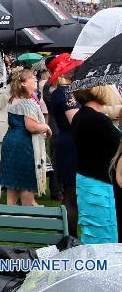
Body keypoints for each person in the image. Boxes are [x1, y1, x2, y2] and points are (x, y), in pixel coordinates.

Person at [70, 85, 120, 243]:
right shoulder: (96, 119)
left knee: (93, 231)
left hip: (87, 180)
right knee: (104, 233)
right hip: (99, 184)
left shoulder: (82, 116)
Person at [0, 67, 51, 206]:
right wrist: (46, 126)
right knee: (27, 180)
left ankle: (11, 214)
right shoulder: (27, 103)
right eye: (32, 78)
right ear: (23, 83)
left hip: (10, 140)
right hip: (23, 143)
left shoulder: (13, 99)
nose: (35, 79)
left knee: (12, 182)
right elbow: (31, 126)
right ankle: (27, 215)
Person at [44, 55, 80, 232]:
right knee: (71, 193)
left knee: (72, 193)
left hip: (69, 142)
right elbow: (76, 120)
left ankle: (70, 234)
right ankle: (70, 236)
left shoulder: (63, 91)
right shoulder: (64, 92)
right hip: (71, 144)